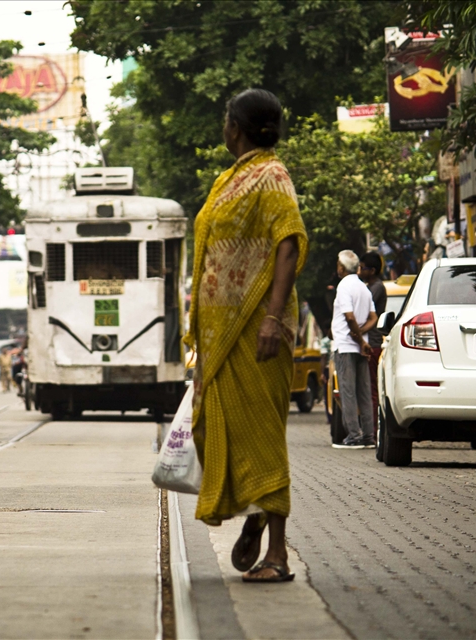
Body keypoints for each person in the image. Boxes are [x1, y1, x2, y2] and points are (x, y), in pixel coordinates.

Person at [184, 89, 308, 583]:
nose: (222, 127)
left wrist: (273, 319)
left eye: (224, 120)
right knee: (209, 429)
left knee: (264, 438)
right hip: (219, 339)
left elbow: (288, 244)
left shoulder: (273, 176)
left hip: (259, 333)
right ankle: (253, 511)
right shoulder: (229, 178)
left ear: (235, 126)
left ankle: (276, 553)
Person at [332, 249, 378, 449]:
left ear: (341, 268)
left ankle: (353, 436)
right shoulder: (363, 287)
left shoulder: (344, 286)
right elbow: (373, 318)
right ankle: (369, 436)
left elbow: (349, 317)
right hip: (361, 347)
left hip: (346, 346)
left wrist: (358, 339)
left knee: (348, 392)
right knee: (364, 393)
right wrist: (363, 337)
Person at [359, 251, 387, 434]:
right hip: (366, 341)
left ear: (373, 270)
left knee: (372, 389)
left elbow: (361, 309)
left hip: (373, 342)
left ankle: (373, 429)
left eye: (363, 268)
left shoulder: (376, 288)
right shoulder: (370, 286)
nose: (360, 271)